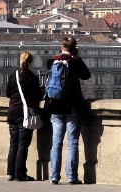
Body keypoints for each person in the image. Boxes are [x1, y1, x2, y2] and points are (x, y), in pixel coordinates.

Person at [47, 36, 91, 184]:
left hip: (56, 106)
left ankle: (54, 176)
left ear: (62, 46)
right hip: (72, 106)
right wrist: (76, 57)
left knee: (56, 142)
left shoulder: (54, 61)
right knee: (72, 142)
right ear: (74, 48)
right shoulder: (75, 62)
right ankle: (71, 177)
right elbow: (86, 75)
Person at [6, 50, 43, 182]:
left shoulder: (13, 75)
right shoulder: (32, 77)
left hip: (12, 113)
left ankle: (10, 173)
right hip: (24, 114)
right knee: (23, 144)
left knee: (13, 143)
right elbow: (37, 96)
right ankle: (20, 174)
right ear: (31, 62)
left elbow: (8, 93)